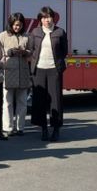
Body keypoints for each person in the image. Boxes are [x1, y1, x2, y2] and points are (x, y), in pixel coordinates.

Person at [29, 7, 68, 141]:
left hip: (54, 70)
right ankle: (43, 129)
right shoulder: (35, 32)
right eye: (44, 17)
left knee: (55, 100)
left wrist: (58, 65)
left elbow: (64, 51)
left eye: (49, 17)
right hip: (39, 70)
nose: (47, 20)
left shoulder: (60, 32)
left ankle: (56, 129)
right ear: (40, 19)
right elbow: (31, 49)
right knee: (39, 101)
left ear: (53, 18)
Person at [0, 13, 31, 136]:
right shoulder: (2, 35)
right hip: (8, 72)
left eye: (20, 25)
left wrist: (25, 52)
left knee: (22, 102)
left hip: (23, 73)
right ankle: (8, 127)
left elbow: (31, 52)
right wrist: (9, 52)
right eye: (16, 25)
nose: (18, 27)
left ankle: (20, 127)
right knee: (7, 102)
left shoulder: (26, 36)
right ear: (11, 24)